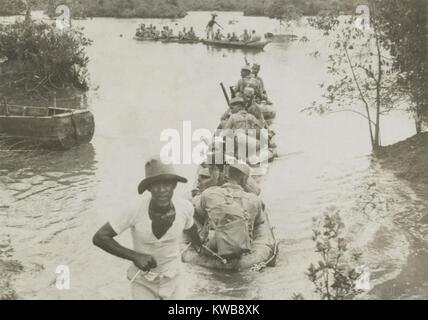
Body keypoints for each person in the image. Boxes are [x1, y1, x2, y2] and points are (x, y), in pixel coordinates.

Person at [93, 156, 203, 300]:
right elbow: (100, 237)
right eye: (156, 185)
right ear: (149, 188)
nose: (162, 190)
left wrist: (198, 244)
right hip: (143, 282)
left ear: (174, 185)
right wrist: (134, 256)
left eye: (167, 184)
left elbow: (191, 228)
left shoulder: (185, 208)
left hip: (173, 277)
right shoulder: (134, 209)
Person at [194, 162, 266, 258]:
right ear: (244, 179)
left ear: (226, 175)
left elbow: (196, 215)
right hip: (243, 251)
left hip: (214, 248)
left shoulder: (209, 193)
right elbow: (259, 225)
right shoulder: (254, 200)